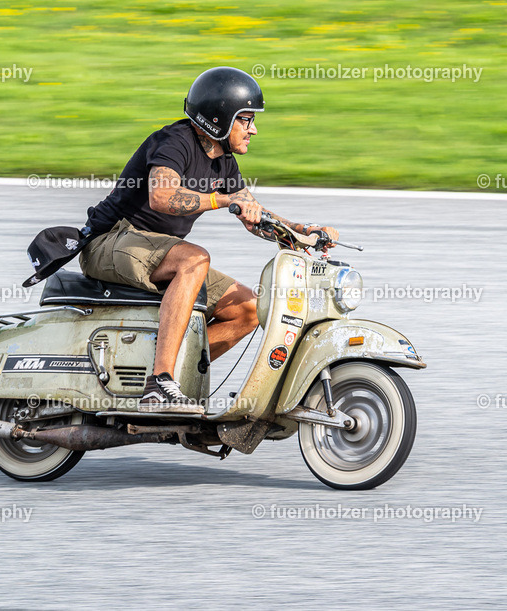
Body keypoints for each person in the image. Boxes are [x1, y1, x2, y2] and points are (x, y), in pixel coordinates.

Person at [79, 67, 338, 414]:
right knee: (195, 258)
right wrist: (222, 200)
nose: (254, 129)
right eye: (245, 120)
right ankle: (158, 385)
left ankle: (173, 378)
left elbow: (254, 214)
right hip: (112, 241)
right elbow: (162, 196)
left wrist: (303, 232)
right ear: (219, 119)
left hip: (153, 249)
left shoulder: (223, 161)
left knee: (247, 310)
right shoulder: (174, 142)